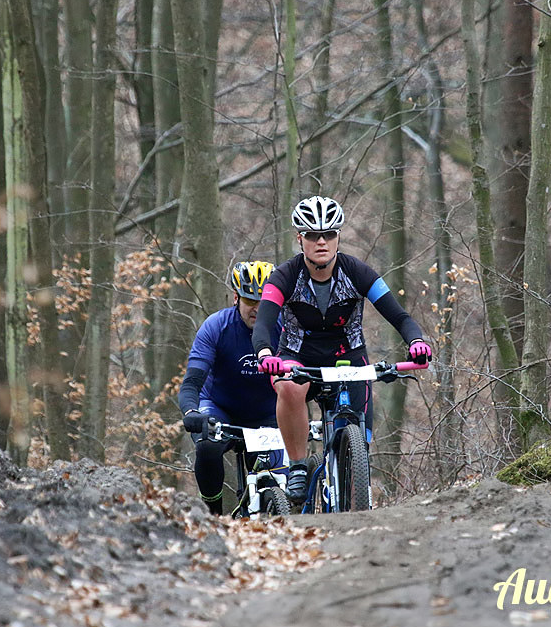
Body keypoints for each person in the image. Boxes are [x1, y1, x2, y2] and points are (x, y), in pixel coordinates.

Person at [252, 196, 432, 504]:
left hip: (347, 355)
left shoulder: (358, 272)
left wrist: (416, 342)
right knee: (290, 388)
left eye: (329, 234)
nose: (321, 241)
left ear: (339, 237)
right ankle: (297, 466)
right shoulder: (284, 276)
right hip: (298, 354)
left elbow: (399, 316)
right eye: (312, 235)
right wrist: (265, 354)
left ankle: (353, 487)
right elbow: (264, 322)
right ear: (300, 239)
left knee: (361, 438)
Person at [179, 261, 281, 515]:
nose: (257, 308)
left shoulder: (287, 329)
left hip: (268, 414)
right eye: (249, 300)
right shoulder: (216, 327)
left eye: (264, 301)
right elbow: (192, 381)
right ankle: (212, 515)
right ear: (236, 298)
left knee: (282, 481)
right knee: (207, 445)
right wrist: (192, 412)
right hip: (220, 408)